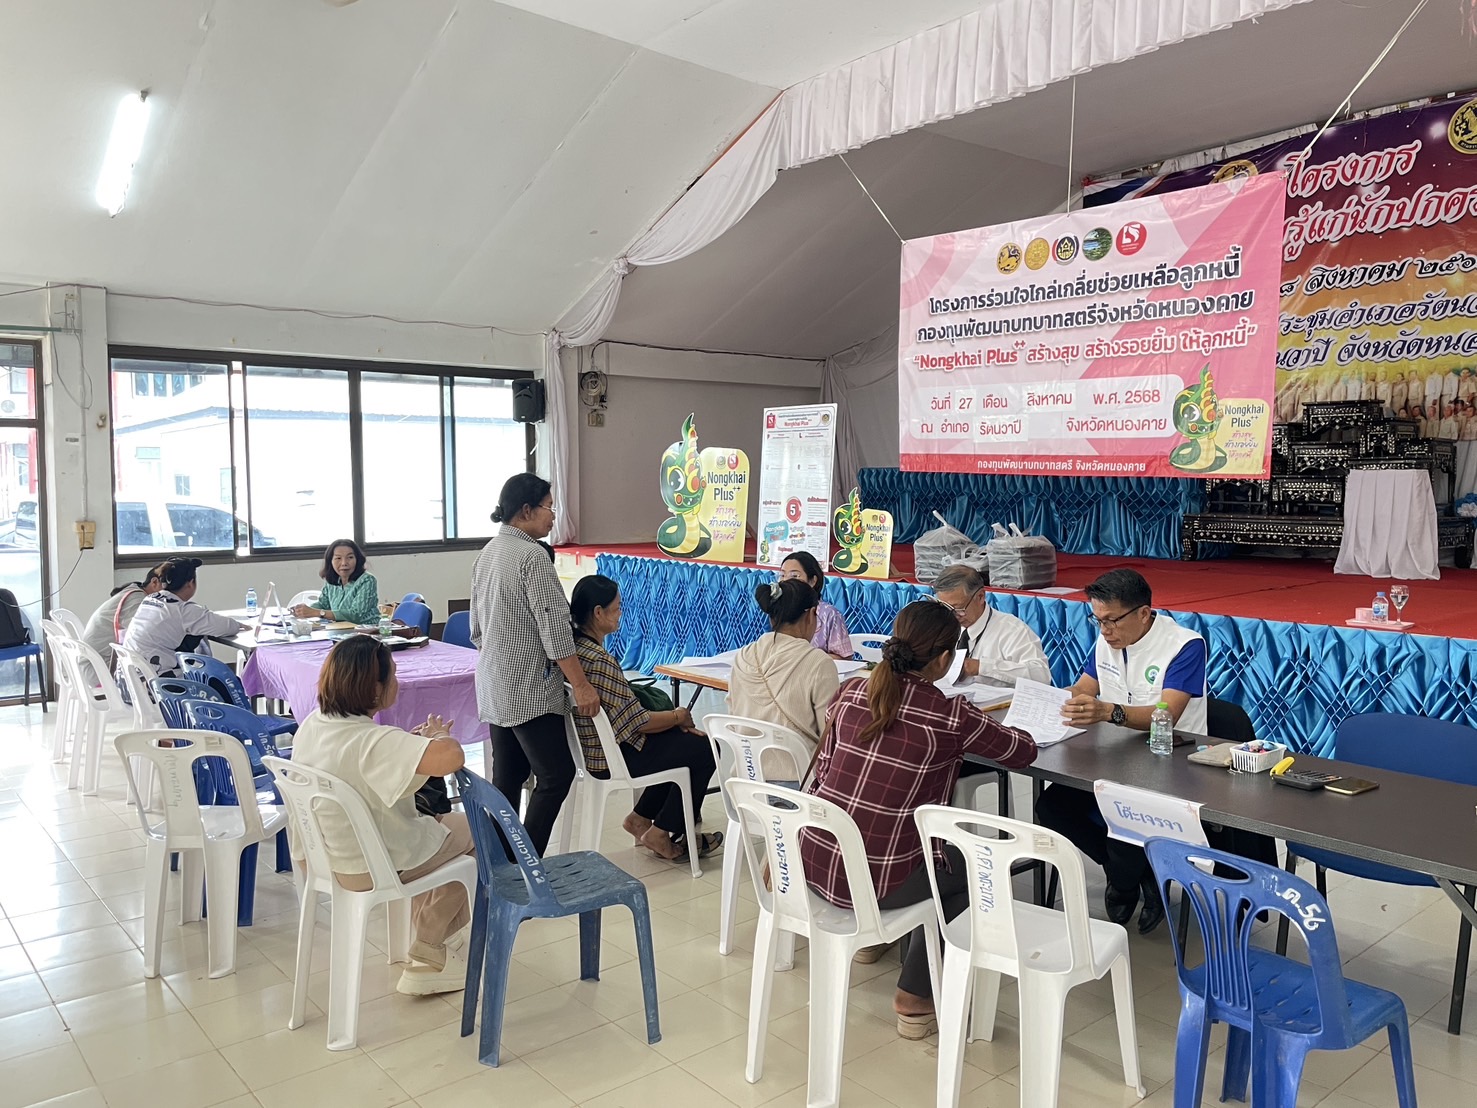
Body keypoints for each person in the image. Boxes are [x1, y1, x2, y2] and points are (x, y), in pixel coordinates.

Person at [800, 600, 1036, 1039]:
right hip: (878, 882)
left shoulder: (851, 691)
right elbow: (1022, 751)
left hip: (813, 862)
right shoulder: (950, 715)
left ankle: (871, 943)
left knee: (883, 834)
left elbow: (824, 773)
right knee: (972, 872)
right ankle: (914, 997)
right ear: (945, 659)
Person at [289, 635, 473, 996]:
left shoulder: (314, 724)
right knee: (488, 831)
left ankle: (426, 941)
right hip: (374, 863)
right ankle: (430, 939)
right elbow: (451, 758)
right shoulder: (371, 740)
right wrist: (437, 736)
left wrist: (413, 744)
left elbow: (376, 762)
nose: (397, 683)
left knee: (439, 832)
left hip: (325, 861)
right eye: (393, 676)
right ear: (375, 689)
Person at [1037, 568, 1207, 934]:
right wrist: (1042, 702)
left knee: (1125, 818)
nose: (1105, 630)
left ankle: (1127, 880)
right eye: (1097, 621)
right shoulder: (1105, 642)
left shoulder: (1184, 644)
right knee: (1051, 807)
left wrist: (1107, 711)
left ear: (1143, 613)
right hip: (1113, 758)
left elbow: (1168, 713)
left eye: (1112, 620)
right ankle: (1136, 875)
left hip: (1171, 761)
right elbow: (1083, 687)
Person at [470, 473, 598, 854]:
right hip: (527, 688)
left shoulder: (488, 552)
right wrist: (581, 684)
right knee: (556, 776)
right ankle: (527, 861)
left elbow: (476, 629)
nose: (553, 516)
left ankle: (499, 863)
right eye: (549, 507)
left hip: (494, 681)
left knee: (507, 779)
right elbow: (556, 631)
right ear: (526, 510)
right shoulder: (532, 557)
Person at [570, 575, 721, 862]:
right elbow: (638, 722)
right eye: (616, 609)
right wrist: (677, 716)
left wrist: (676, 723)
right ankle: (663, 831)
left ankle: (643, 819)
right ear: (598, 613)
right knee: (706, 749)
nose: (620, 615)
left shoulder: (576, 651)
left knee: (683, 743)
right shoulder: (599, 660)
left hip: (596, 751)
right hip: (614, 756)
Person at [728, 579, 839, 755]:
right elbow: (830, 736)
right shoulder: (819, 662)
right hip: (801, 778)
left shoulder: (743, 655)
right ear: (811, 615)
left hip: (746, 774)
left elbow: (733, 717)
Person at [121, 557, 247, 676]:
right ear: (190, 583)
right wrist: (239, 625)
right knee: (222, 682)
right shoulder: (182, 610)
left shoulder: (149, 599)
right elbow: (225, 627)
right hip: (159, 682)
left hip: (133, 677)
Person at [931, 563, 1051, 688]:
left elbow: (1041, 676)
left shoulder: (1012, 630)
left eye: (959, 608)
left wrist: (982, 667)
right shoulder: (940, 624)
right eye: (945, 607)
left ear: (980, 596)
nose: (953, 615)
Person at [83, 561, 165, 662]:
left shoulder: (134, 592)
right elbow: (145, 639)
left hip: (97, 659)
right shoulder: (137, 601)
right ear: (154, 582)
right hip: (101, 666)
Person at [778, 551, 853, 658]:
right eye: (782, 575)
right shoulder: (777, 609)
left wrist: (808, 659)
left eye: (794, 576)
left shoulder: (829, 614)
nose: (786, 581)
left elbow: (844, 657)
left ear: (813, 581)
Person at [293, 539, 380, 624]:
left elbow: (356, 615)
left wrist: (317, 613)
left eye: (350, 557)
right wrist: (303, 611)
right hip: (339, 630)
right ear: (330, 561)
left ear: (357, 560)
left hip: (366, 633)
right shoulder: (332, 580)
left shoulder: (367, 580)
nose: (344, 563)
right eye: (338, 558)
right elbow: (323, 604)